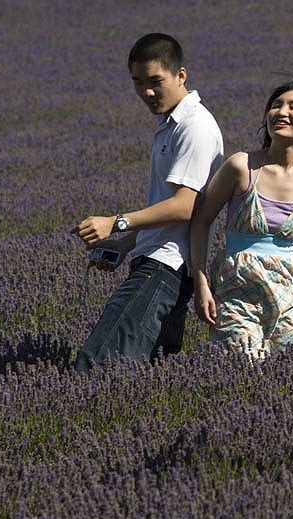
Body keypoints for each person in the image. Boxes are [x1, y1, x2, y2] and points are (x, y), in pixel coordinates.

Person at [72, 33, 224, 373]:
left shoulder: (194, 127)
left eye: (156, 81)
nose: (147, 92)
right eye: (138, 83)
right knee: (152, 371)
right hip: (158, 262)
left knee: (97, 365)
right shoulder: (169, 125)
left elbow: (185, 206)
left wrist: (116, 221)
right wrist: (126, 244)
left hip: (166, 268)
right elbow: (168, 207)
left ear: (180, 75)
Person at [189, 78, 293, 360]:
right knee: (238, 369)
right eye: (276, 105)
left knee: (289, 374)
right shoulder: (242, 166)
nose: (281, 112)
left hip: (287, 293)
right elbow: (201, 221)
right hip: (235, 288)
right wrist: (201, 284)